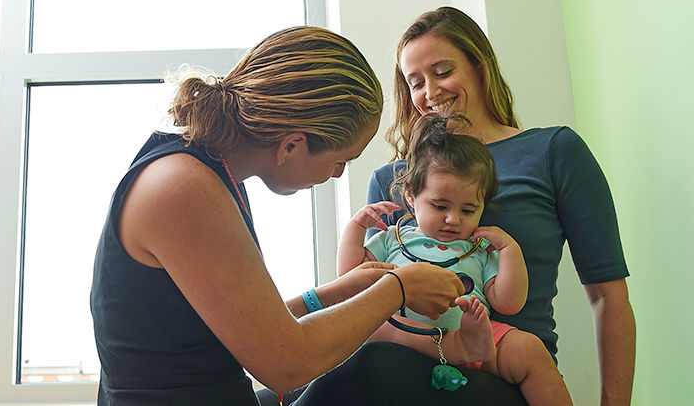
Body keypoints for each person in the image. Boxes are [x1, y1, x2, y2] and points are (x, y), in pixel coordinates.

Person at [89, 26, 468, 405]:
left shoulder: (204, 174)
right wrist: (398, 288)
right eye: (339, 161)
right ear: (292, 144)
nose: (337, 174)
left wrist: (333, 294)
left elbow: (234, 331)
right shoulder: (183, 188)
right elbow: (285, 365)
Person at [364, 6, 636, 405]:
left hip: (507, 377)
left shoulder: (553, 152)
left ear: (479, 66)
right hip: (406, 371)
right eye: (415, 82)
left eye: (442, 72)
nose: (430, 92)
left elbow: (607, 295)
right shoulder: (391, 181)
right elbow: (372, 299)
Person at [339, 113, 573, 406]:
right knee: (356, 333)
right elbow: (351, 281)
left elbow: (508, 303)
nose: (452, 219)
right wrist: (355, 228)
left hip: (475, 343)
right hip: (401, 340)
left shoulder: (478, 249)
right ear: (411, 196)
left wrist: (510, 249)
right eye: (440, 206)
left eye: (468, 210)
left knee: (530, 350)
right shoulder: (394, 238)